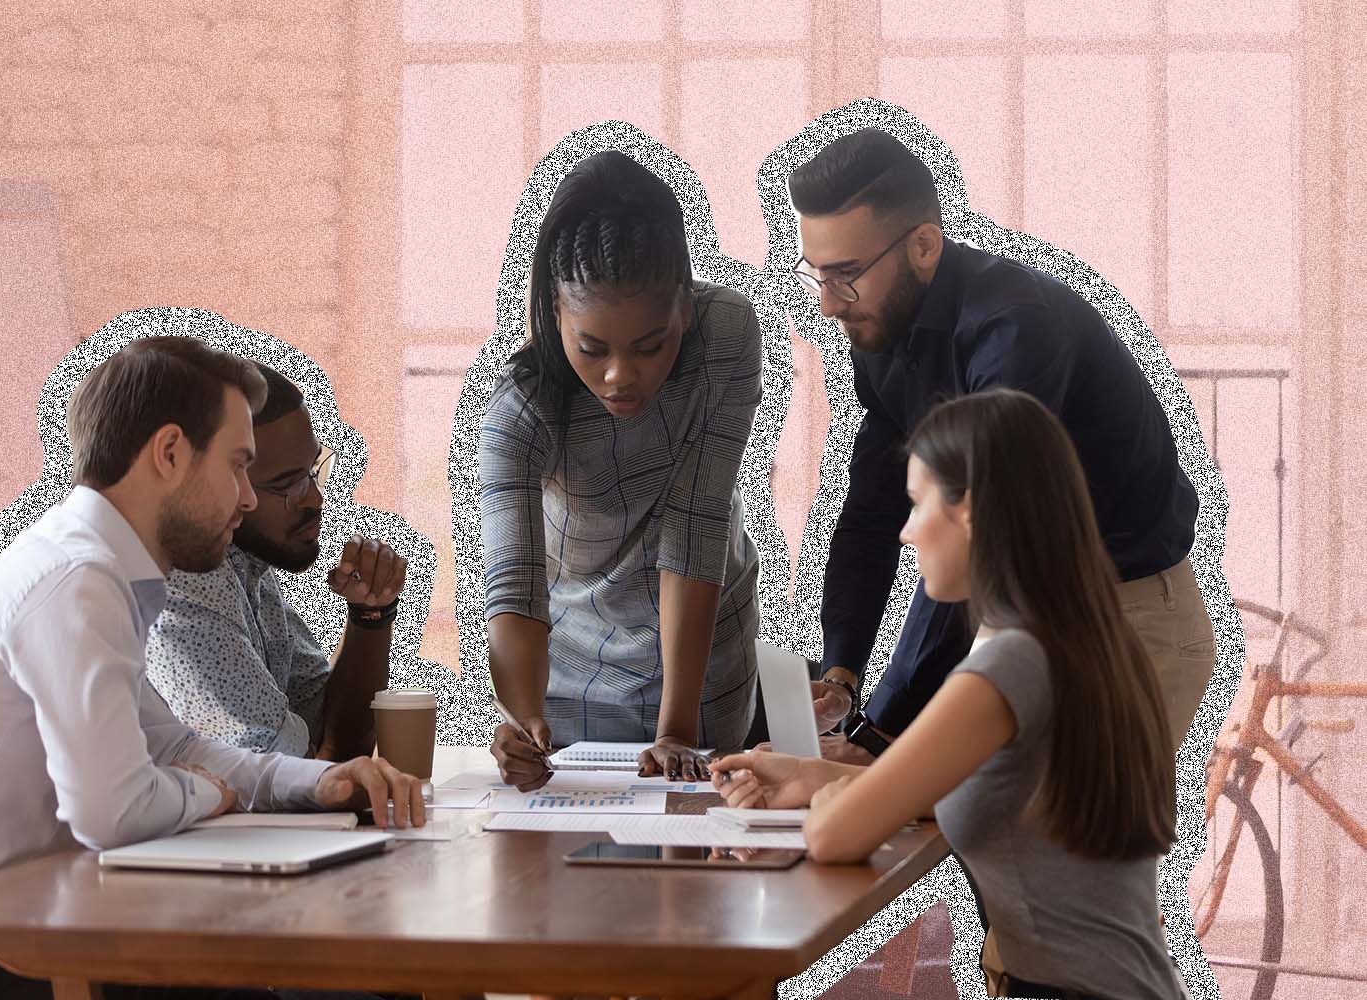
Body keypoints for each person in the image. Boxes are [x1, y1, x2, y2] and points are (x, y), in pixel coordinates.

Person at [0, 335, 424, 998]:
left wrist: (322, 782)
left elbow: (174, 747)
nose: (248, 499)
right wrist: (207, 795)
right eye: (239, 466)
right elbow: (112, 811)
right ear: (168, 454)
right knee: (309, 978)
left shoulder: (97, 570)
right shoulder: (73, 579)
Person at [712, 389, 1185, 999]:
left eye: (915, 503)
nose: (906, 534)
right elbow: (998, 798)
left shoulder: (1007, 665)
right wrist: (810, 773)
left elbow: (834, 837)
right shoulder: (1085, 640)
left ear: (972, 510)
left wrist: (831, 798)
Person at [788, 128, 1213, 763]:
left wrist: (880, 735)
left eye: (846, 276)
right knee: (963, 844)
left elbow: (979, 528)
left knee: (1058, 859)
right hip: (1011, 620)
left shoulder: (1015, 328)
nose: (827, 303)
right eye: (818, 275)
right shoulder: (882, 325)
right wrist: (842, 674)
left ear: (925, 245)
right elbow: (874, 510)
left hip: (1120, 623)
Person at [480, 150, 763, 789]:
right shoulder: (519, 414)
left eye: (648, 346)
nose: (620, 376)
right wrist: (522, 721)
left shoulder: (725, 337)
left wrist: (676, 731)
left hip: (703, 665)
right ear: (555, 314)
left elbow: (696, 522)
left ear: (684, 311)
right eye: (592, 348)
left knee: (696, 856)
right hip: (571, 668)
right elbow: (513, 587)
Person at [146, 361, 408, 763]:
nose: (316, 499)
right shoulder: (184, 584)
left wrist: (370, 613)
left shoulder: (248, 563)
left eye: (312, 471)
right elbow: (305, 778)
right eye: (289, 484)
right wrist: (333, 760)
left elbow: (333, 735)